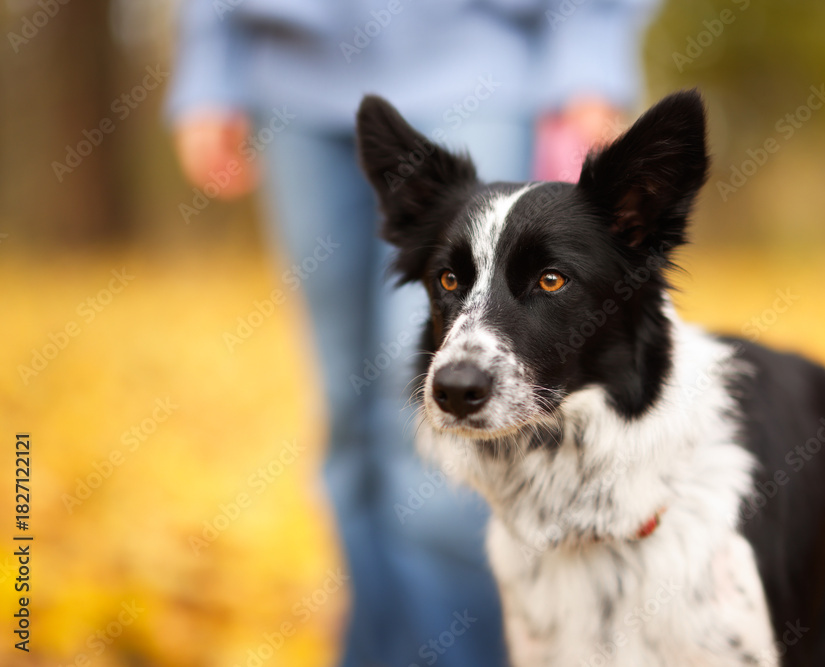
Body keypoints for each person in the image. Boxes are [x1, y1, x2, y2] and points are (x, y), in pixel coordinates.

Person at [166, 1, 654, 665]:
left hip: (478, 55)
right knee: (347, 418)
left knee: (438, 424)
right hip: (292, 77)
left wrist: (588, 56)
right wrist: (209, 66)